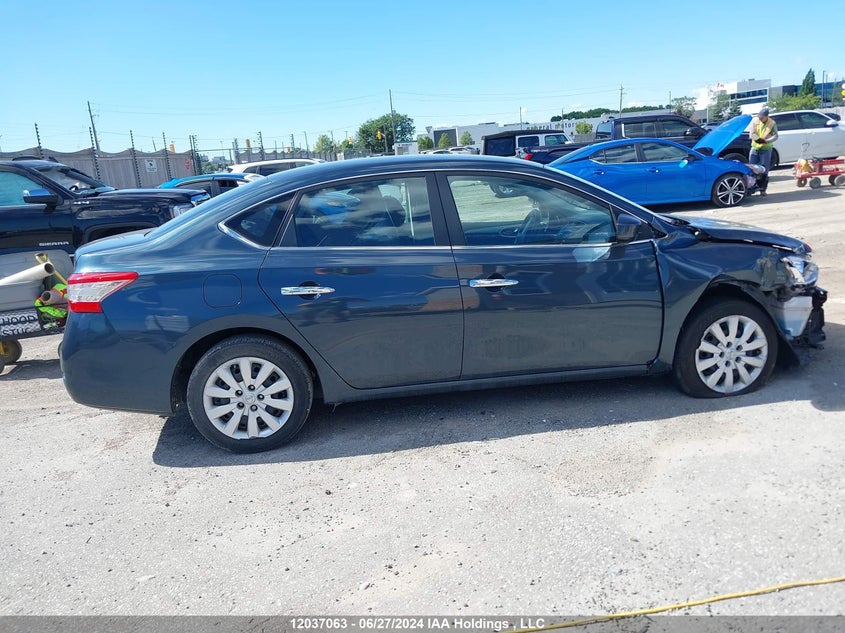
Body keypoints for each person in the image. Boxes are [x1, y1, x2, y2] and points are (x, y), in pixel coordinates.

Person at [749, 107, 778, 196]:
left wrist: (766, 141)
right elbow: (752, 133)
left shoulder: (772, 123)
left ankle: (763, 189)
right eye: (759, 116)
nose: (760, 118)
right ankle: (750, 188)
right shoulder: (755, 121)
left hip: (766, 149)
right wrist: (757, 139)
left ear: (766, 117)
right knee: (751, 168)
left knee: (764, 170)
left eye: (762, 117)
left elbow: (775, 136)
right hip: (755, 148)